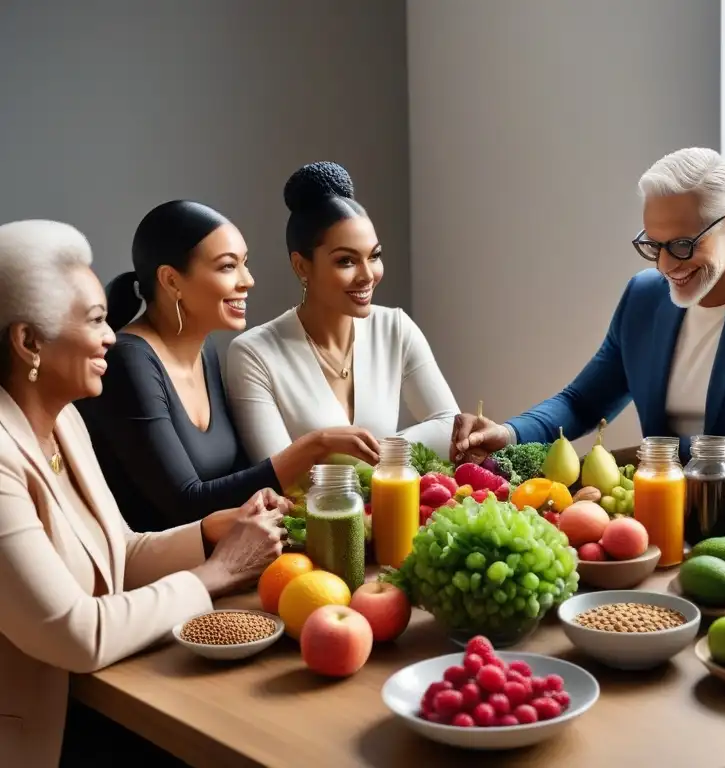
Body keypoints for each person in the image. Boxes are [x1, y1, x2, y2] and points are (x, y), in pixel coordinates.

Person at [0, 219, 287, 767]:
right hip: (42, 741)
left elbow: (120, 554)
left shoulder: (64, 423)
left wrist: (210, 534)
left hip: (97, 710)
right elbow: (75, 634)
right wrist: (216, 574)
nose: (112, 335)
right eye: (95, 320)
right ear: (28, 341)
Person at [451, 147, 725, 476]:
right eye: (652, 245)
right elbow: (582, 402)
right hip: (657, 516)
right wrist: (510, 433)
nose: (665, 266)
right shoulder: (644, 296)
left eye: (682, 245)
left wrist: (657, 455)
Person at [77, 201, 377, 533]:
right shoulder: (129, 362)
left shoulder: (204, 350)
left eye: (244, 264)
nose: (247, 280)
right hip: (153, 573)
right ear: (172, 281)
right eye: (227, 267)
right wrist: (314, 445)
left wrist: (265, 494)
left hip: (218, 558)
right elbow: (184, 504)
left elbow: (231, 473)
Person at [225, 161, 460, 461]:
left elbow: (449, 427)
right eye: (346, 261)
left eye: (374, 256)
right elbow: (275, 473)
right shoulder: (254, 353)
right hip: (304, 510)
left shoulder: (395, 328)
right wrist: (395, 454)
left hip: (388, 505)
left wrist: (359, 453)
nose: (367, 275)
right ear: (301, 266)